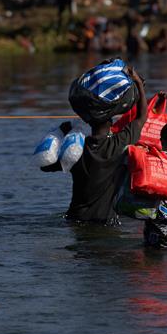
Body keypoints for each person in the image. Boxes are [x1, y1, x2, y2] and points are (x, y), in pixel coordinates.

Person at [66, 66, 148, 223]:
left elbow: (46, 166)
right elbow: (141, 117)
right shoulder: (118, 144)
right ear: (111, 122)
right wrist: (138, 83)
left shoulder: (76, 148)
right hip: (105, 221)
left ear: (87, 120)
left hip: (75, 219)